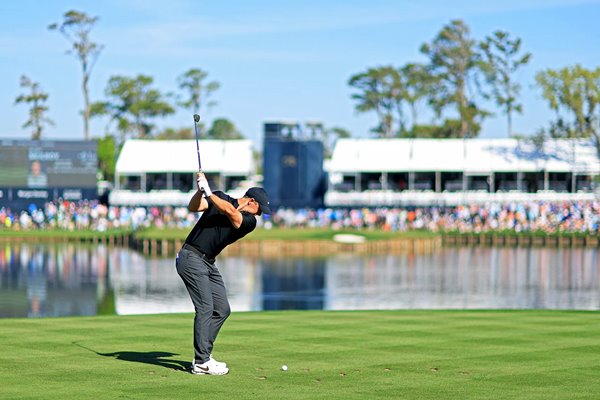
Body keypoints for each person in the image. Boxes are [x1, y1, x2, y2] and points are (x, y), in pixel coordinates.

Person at [176, 172, 271, 375]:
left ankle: (204, 357)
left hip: (208, 263)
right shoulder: (218, 196)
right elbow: (194, 207)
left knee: (222, 309)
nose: (260, 214)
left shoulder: (249, 222)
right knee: (205, 307)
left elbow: (231, 213)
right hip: (191, 256)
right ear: (251, 201)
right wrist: (200, 190)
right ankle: (202, 361)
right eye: (260, 209)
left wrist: (209, 193)